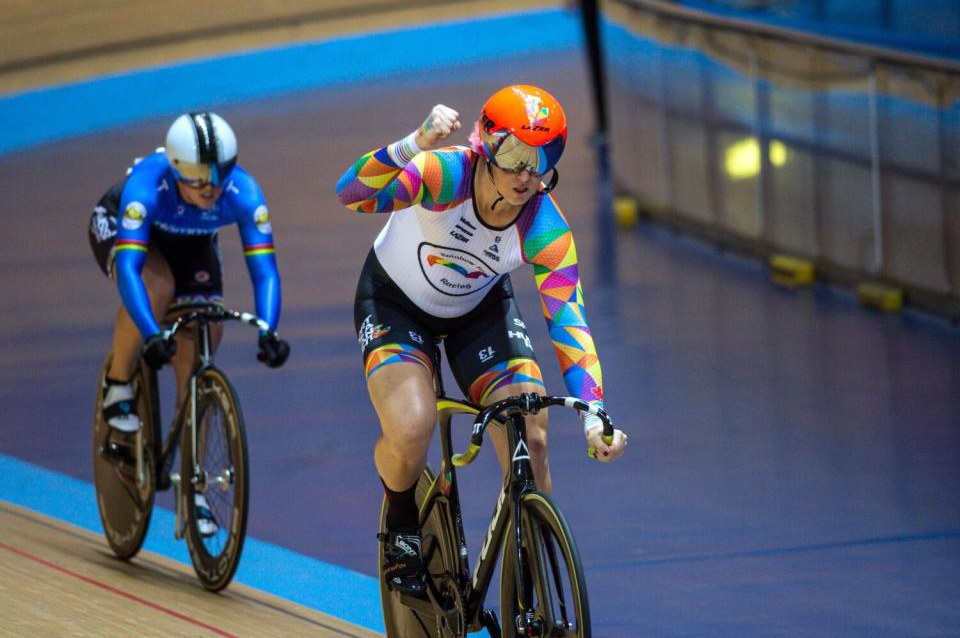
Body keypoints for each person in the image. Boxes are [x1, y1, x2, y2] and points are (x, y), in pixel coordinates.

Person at [335, 84, 627, 594]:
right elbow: (352, 194)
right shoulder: (445, 173)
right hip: (395, 304)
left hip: (480, 312)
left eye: (541, 158)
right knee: (413, 424)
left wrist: (593, 414)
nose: (525, 174)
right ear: (486, 143)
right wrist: (413, 144)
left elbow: (570, 323)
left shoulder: (544, 226)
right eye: (514, 154)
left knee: (531, 432)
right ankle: (402, 523)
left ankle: (530, 587)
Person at [88, 111, 290, 532]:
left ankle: (194, 488)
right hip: (127, 230)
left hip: (193, 243)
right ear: (177, 169)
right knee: (156, 288)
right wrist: (151, 334)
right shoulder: (147, 185)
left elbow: (265, 271)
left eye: (219, 177)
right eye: (198, 178)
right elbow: (129, 270)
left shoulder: (244, 193)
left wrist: (269, 329)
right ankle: (119, 383)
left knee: (202, 345)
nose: (211, 187)